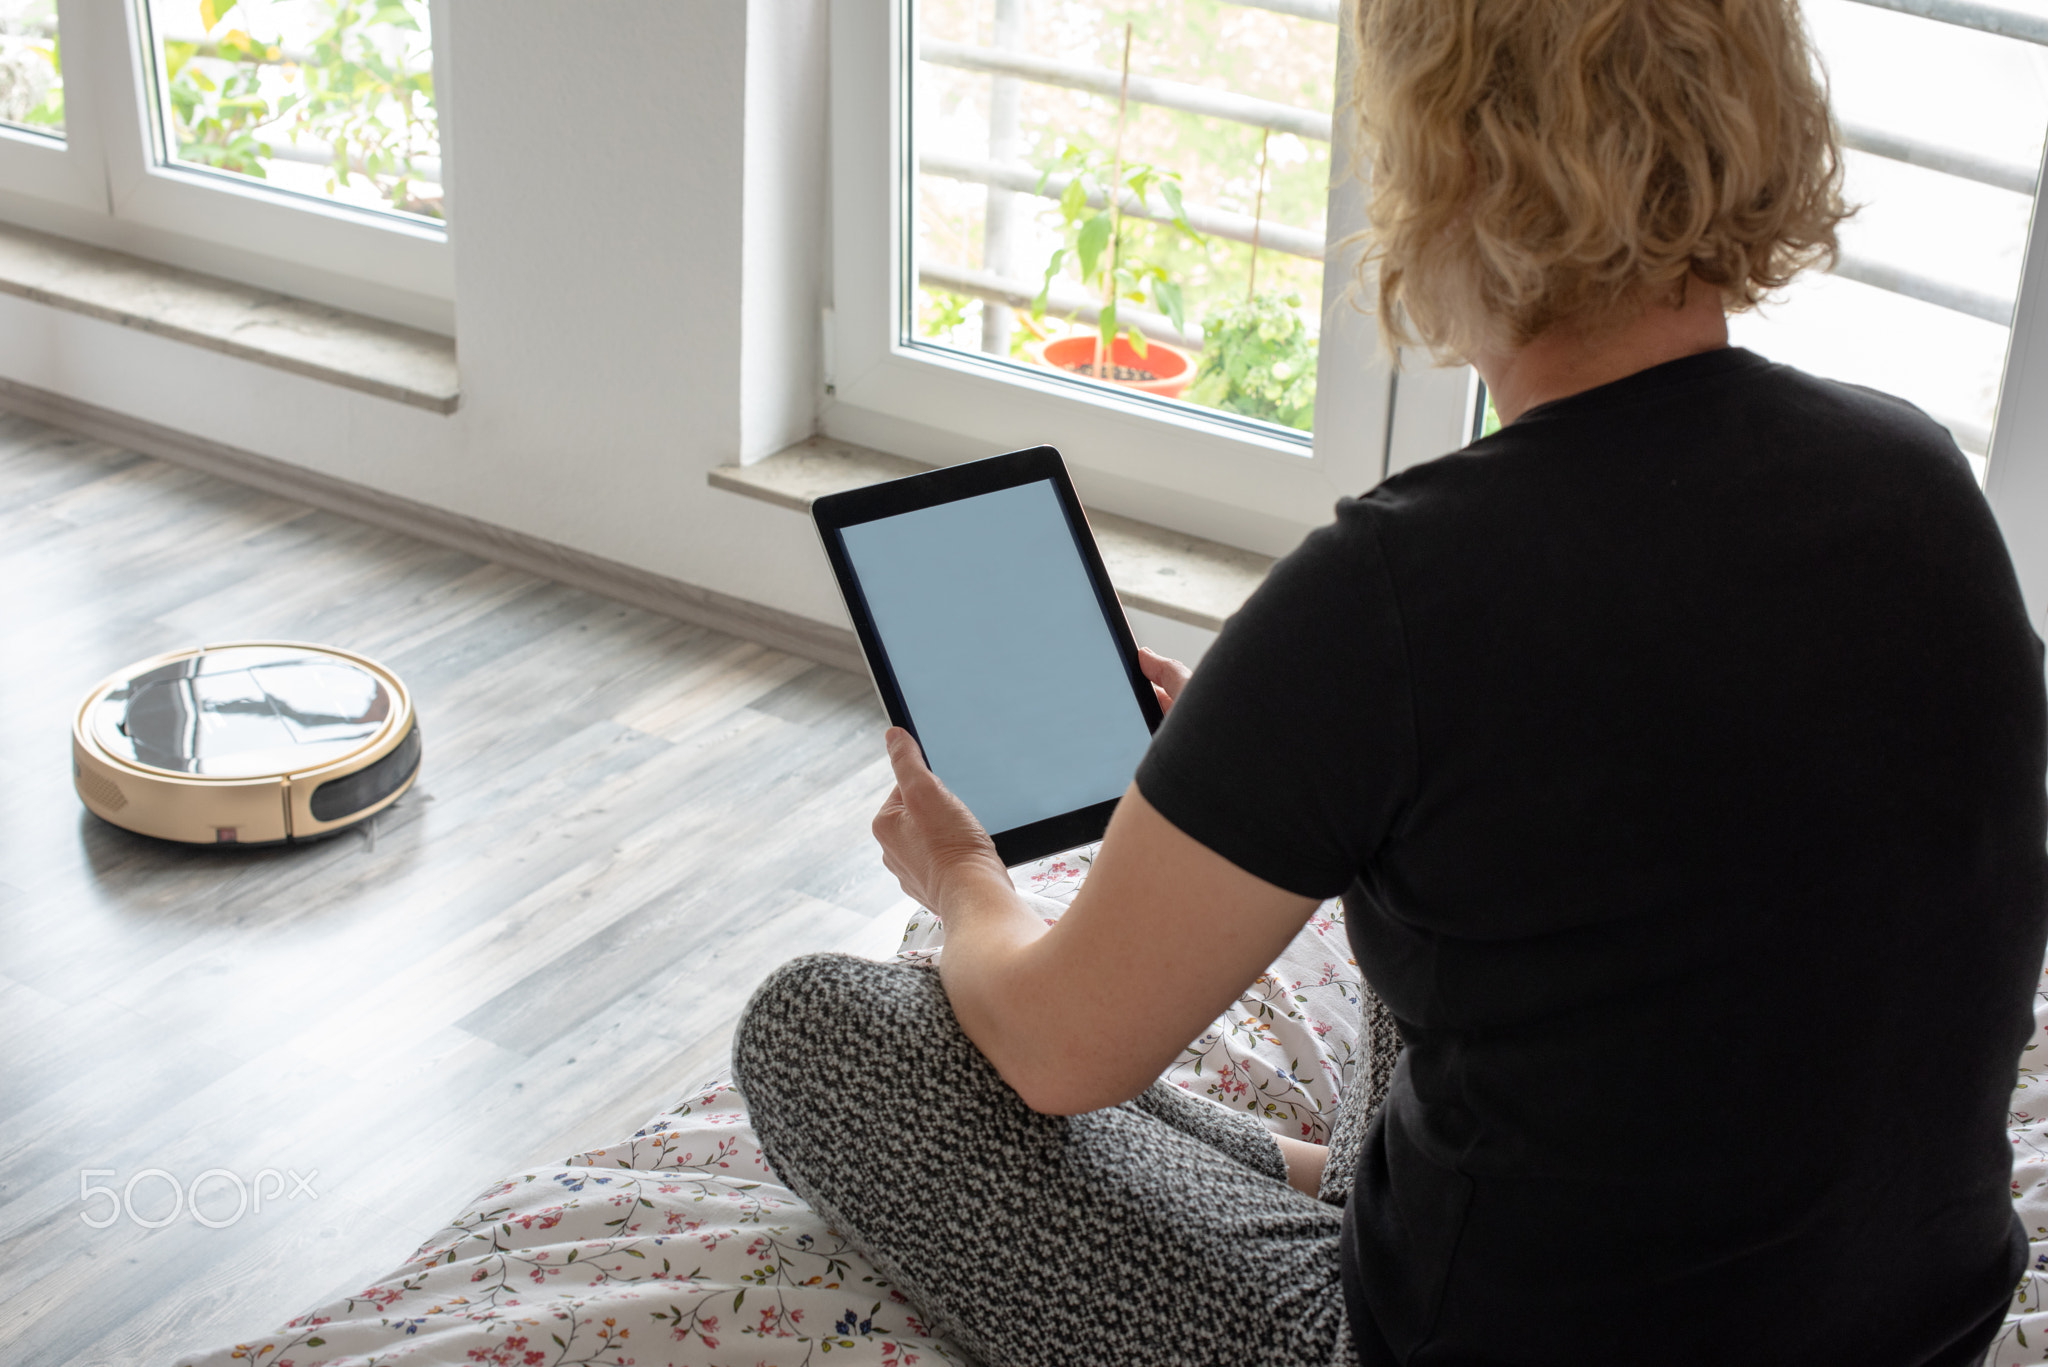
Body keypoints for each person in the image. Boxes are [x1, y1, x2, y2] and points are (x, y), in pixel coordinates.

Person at [734, 0, 2048, 1361]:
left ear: (1442, 172)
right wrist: (1275, 768)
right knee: (1466, 896)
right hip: (1915, 1329)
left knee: (826, 1026)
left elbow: (1067, 1056)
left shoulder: (1400, 591)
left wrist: (965, 884)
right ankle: (1311, 1176)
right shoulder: (1917, 477)